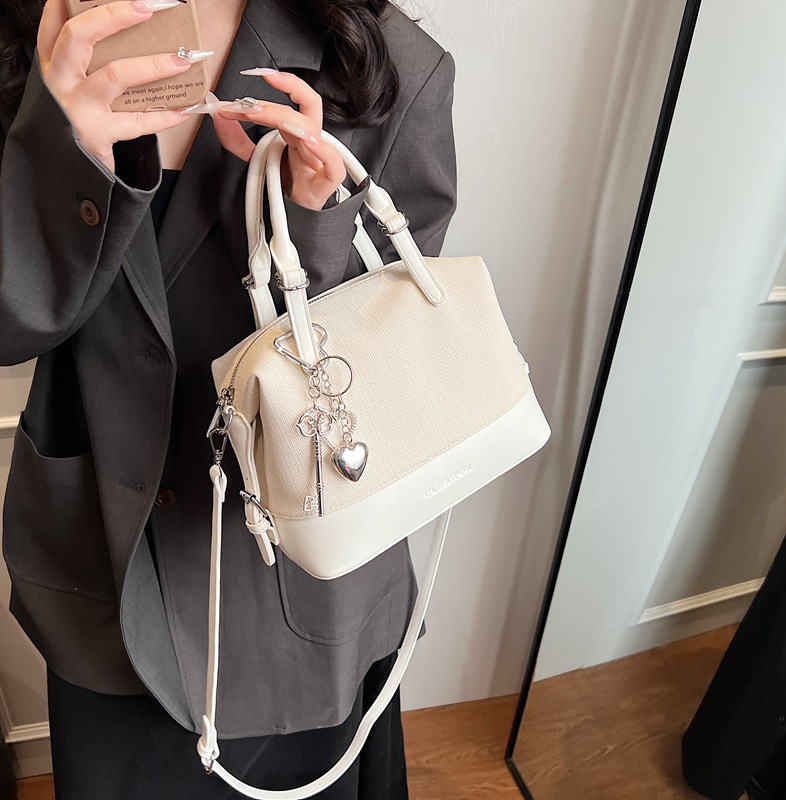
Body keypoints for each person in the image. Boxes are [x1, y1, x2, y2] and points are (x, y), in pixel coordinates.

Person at [0, 0, 457, 797]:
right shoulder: (34, 37)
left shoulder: (382, 63)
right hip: (107, 572)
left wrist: (311, 229)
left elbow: (400, 350)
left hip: (293, 583)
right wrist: (59, 156)